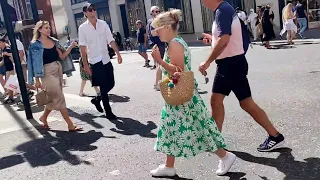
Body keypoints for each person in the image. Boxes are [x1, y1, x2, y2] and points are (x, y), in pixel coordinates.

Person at [150, 9, 236, 178]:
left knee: (199, 129)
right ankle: (169, 166)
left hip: (182, 96)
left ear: (167, 27)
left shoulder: (174, 44)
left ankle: (225, 156)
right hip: (183, 95)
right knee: (171, 129)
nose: (156, 33)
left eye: (157, 29)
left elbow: (178, 72)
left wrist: (159, 61)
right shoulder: (177, 41)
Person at [199, 0, 285, 152]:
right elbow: (226, 38)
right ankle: (216, 139)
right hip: (230, 64)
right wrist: (212, 41)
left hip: (231, 65)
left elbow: (225, 39)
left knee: (244, 103)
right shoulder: (223, 9)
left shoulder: (222, 11)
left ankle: (275, 135)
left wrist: (207, 62)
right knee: (217, 101)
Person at [28, 20, 82, 131]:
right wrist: (36, 80)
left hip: (57, 69)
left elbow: (62, 57)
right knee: (59, 97)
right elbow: (34, 63)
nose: (49, 30)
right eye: (46, 28)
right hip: (46, 72)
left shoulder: (54, 41)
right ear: (40, 29)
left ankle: (43, 117)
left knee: (54, 97)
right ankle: (70, 124)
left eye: (49, 27)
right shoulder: (35, 44)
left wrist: (71, 47)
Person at [78, 3, 123, 120]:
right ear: (85, 13)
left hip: (106, 59)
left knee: (111, 83)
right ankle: (108, 112)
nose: (93, 11)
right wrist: (85, 64)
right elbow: (82, 48)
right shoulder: (82, 28)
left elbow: (111, 40)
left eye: (94, 9)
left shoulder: (103, 24)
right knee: (103, 87)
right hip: (95, 61)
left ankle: (97, 100)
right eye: (90, 10)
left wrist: (118, 53)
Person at [147, 6, 165, 91]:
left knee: (159, 64)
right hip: (158, 44)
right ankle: (157, 83)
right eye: (155, 11)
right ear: (152, 13)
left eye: (158, 11)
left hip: (160, 43)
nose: (157, 13)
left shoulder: (158, 21)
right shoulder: (152, 22)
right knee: (160, 63)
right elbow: (152, 34)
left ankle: (157, 83)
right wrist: (161, 31)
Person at [0, 38, 15, 104]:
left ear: (3, 42)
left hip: (11, 68)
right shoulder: (3, 50)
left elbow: (14, 55)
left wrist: (7, 54)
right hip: (7, 69)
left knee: (10, 84)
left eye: (0, 42)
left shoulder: (7, 49)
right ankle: (11, 97)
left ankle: (11, 97)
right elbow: (4, 61)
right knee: (10, 84)